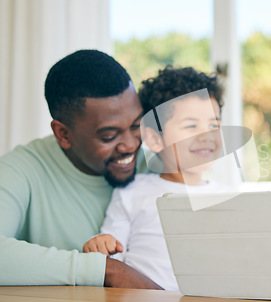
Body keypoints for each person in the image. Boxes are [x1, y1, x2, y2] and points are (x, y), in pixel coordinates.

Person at [82, 66, 271, 290]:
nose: (206, 135)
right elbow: (112, 250)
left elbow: (262, 244)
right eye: (191, 125)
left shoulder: (229, 196)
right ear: (154, 138)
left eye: (214, 124)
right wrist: (101, 245)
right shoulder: (131, 192)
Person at [0, 49, 161, 289]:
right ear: (63, 134)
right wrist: (105, 270)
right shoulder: (22, 169)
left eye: (137, 125)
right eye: (109, 136)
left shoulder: (155, 168)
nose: (131, 144)